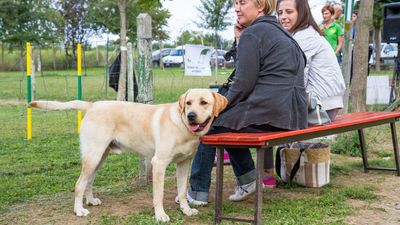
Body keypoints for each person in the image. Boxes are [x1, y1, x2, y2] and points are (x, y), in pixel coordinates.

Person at [186, 0, 307, 205]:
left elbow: (242, 83)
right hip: (293, 112)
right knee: (230, 122)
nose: (236, 8)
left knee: (213, 124)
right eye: (235, 3)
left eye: (243, 2)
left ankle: (198, 192)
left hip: (272, 111)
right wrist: (240, 40)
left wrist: (217, 108)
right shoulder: (279, 31)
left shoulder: (254, 33)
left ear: (260, 6)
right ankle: (248, 179)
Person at [277, 0, 346, 120]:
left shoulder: (304, 37)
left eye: (289, 12)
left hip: (320, 106)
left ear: (302, 12)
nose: (283, 17)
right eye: (280, 12)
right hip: (324, 102)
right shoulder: (302, 33)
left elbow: (297, 78)